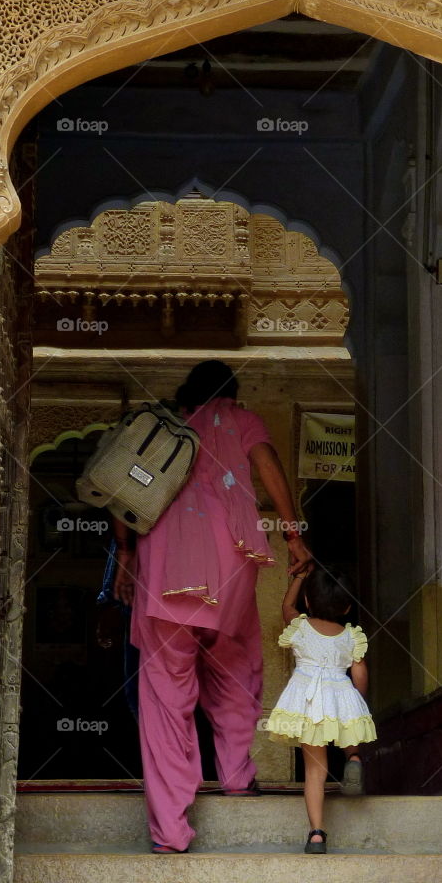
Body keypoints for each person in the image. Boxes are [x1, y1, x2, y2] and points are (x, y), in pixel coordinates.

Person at [113, 360, 312, 853]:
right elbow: (267, 465)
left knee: (165, 697)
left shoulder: (160, 431)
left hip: (164, 576)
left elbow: (119, 490)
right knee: (237, 668)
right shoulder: (242, 421)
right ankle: (238, 777)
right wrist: (293, 535)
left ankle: (171, 831)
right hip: (230, 569)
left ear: (188, 395)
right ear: (232, 393)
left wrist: (125, 555)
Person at [263, 566, 376, 853]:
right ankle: (353, 757)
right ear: (347, 606)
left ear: (309, 603)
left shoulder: (299, 627)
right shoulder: (351, 636)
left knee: (315, 771)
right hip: (339, 689)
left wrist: (300, 576)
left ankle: (316, 834)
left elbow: (286, 606)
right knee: (348, 725)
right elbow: (359, 673)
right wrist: (357, 701)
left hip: (309, 701)